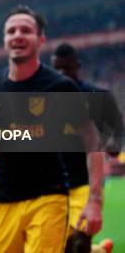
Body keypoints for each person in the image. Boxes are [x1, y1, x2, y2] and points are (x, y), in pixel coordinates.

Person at [0, 6, 104, 253]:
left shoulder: (60, 87)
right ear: (5, 40)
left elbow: (93, 142)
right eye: (11, 31)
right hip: (5, 201)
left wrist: (95, 200)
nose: (17, 35)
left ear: (40, 40)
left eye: (26, 30)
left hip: (49, 199)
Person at [51, 43, 121, 253]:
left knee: (80, 243)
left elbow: (116, 138)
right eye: (57, 68)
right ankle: (100, 250)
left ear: (77, 66)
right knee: (63, 246)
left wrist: (109, 143)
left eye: (67, 68)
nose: (62, 73)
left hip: (86, 183)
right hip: (52, 186)